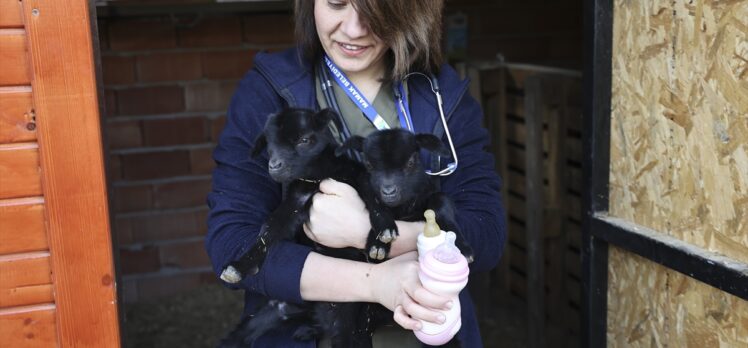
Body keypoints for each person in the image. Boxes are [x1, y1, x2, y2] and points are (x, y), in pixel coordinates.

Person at [205, 0, 506, 346]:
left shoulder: (443, 96)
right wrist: (373, 282)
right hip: (309, 330)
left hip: (423, 331)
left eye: (375, 8)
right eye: (335, 3)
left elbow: (486, 235)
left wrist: (371, 232)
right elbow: (231, 242)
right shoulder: (269, 90)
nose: (353, 28)